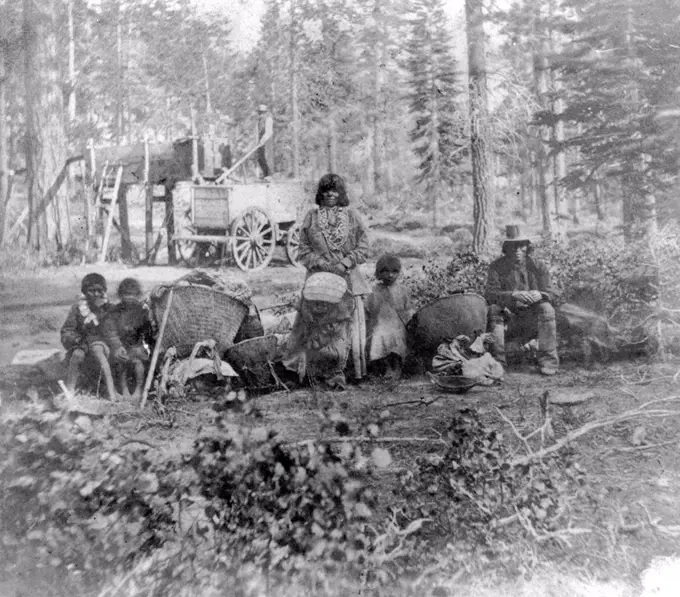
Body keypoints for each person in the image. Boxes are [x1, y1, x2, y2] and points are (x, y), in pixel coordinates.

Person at [283, 173, 370, 388]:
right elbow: (302, 250)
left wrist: (345, 263)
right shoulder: (311, 217)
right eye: (326, 190)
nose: (330, 194)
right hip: (317, 280)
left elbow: (364, 246)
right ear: (320, 194)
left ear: (341, 194)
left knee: (341, 325)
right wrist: (320, 263)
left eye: (335, 190)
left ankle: (339, 372)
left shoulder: (352, 217)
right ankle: (308, 373)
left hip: (346, 278)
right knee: (312, 324)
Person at [485, 225, 560, 376]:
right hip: (509, 319)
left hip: (533, 318)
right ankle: (498, 363)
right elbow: (490, 294)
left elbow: (554, 292)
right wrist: (512, 295)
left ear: (527, 246)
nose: (517, 250)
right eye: (513, 246)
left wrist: (541, 294)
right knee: (494, 309)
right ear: (506, 248)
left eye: (521, 246)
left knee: (547, 308)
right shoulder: (496, 267)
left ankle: (548, 361)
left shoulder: (538, 266)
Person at [60, 273, 125, 399]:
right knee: (77, 355)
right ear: (84, 292)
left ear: (104, 291)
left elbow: (116, 331)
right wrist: (77, 339)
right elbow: (67, 331)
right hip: (84, 346)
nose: (96, 294)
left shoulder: (110, 309)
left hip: (106, 347)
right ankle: (70, 391)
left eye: (99, 290)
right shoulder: (78, 309)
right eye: (91, 290)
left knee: (112, 357)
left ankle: (112, 390)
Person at [365, 254, 414, 380]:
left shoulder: (403, 290)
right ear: (378, 273)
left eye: (394, 272)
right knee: (379, 336)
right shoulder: (373, 290)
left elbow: (408, 308)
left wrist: (409, 320)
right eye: (385, 271)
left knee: (397, 337)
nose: (390, 275)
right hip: (380, 323)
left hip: (398, 323)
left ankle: (397, 367)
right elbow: (369, 310)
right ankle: (387, 367)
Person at [111, 278, 154, 402]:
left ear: (138, 295)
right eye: (126, 294)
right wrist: (118, 346)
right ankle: (124, 389)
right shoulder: (116, 311)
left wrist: (142, 346)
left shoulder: (142, 310)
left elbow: (147, 333)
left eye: (132, 294)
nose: (129, 298)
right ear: (120, 295)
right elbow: (111, 330)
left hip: (138, 346)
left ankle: (138, 389)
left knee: (137, 361)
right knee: (121, 361)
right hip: (122, 346)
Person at [255, 104, 273, 179]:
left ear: (265, 112)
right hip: (261, 141)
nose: (260, 114)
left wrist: (263, 140)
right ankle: (265, 174)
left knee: (266, 157)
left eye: (262, 112)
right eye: (259, 112)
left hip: (267, 140)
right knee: (260, 158)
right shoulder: (259, 121)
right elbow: (257, 132)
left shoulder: (268, 119)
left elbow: (268, 132)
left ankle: (269, 174)